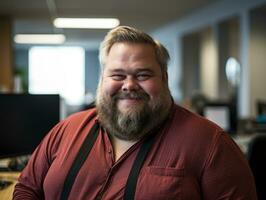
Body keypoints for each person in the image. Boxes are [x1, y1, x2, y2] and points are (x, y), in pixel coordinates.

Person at [13, 26, 257, 200]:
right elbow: (27, 188)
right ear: (102, 79)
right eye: (117, 75)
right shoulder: (66, 130)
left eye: (143, 75)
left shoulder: (211, 144)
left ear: (164, 78)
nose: (129, 85)